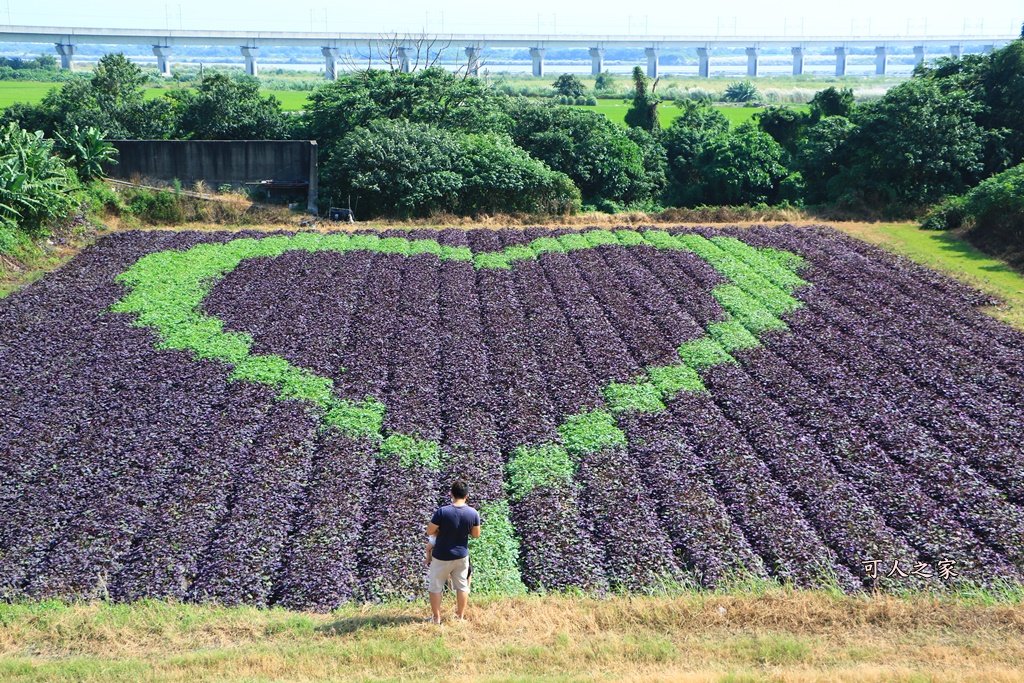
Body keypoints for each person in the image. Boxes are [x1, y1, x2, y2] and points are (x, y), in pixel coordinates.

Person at [425, 480, 481, 624]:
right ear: (467, 496)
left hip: (441, 555)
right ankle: (460, 617)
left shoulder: (442, 512)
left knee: (436, 587)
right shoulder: (473, 513)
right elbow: (476, 535)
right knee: (462, 586)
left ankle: (437, 619)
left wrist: (441, 532)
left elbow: (429, 531)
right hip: (461, 556)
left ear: (451, 494)